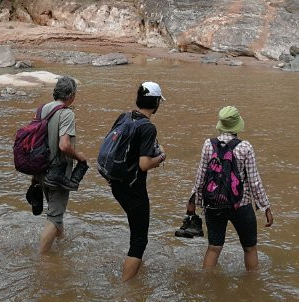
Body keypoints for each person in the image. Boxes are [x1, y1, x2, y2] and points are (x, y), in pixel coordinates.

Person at [187, 105, 274, 271]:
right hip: (240, 204)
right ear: (237, 126)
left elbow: (201, 176)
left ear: (221, 124)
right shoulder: (245, 147)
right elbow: (255, 182)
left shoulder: (208, 145)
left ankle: (205, 286)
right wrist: (266, 207)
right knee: (249, 248)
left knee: (214, 248)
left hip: (213, 204)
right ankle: (251, 287)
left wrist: (193, 201)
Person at [107, 81, 166, 282]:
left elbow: (112, 149)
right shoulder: (148, 127)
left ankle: (132, 273)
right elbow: (144, 164)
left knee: (136, 232)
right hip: (134, 188)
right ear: (156, 102)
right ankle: (126, 286)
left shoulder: (124, 117)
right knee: (139, 239)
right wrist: (161, 157)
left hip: (116, 184)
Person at [34, 75, 88, 253]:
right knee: (55, 216)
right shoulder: (66, 113)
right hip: (57, 173)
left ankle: (61, 244)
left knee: (56, 212)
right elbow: (64, 145)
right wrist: (79, 156)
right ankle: (42, 260)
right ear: (72, 94)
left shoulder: (43, 109)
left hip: (40, 169)